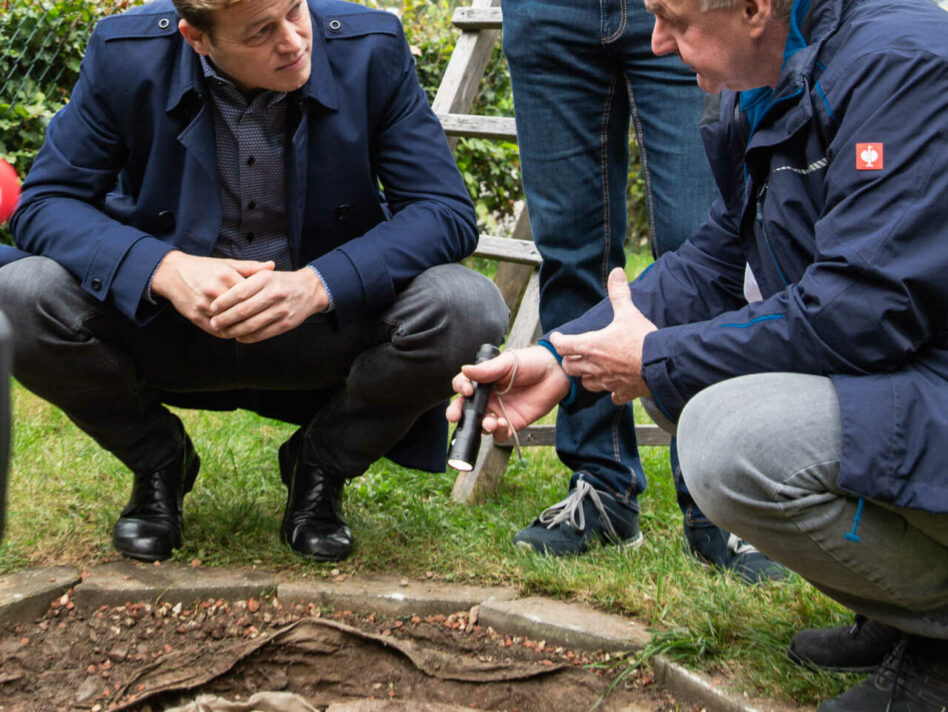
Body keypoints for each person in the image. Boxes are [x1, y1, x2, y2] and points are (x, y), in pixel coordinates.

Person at [449, 0, 948, 708]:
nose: (655, 45)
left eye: (676, 21)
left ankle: (940, 640)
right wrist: (561, 358)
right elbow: (715, 259)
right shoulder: (776, 77)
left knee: (729, 440)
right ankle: (901, 615)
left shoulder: (903, 68)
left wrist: (656, 357)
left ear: (753, 8)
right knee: (685, 381)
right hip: (921, 378)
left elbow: (861, 311)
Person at [0, 0, 508, 564]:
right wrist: (161, 270)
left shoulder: (373, 46)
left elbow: (445, 210)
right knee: (17, 296)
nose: (293, 41)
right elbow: (44, 204)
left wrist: (318, 284)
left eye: (296, 10)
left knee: (468, 306)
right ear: (197, 38)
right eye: (262, 32)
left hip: (323, 326)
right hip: (169, 327)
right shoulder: (125, 54)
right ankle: (158, 461)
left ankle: (319, 466)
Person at [501, 0, 784, 583]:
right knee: (569, 248)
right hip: (546, 11)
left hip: (679, 4)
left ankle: (718, 500)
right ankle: (601, 486)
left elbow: (713, 256)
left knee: (700, 235)